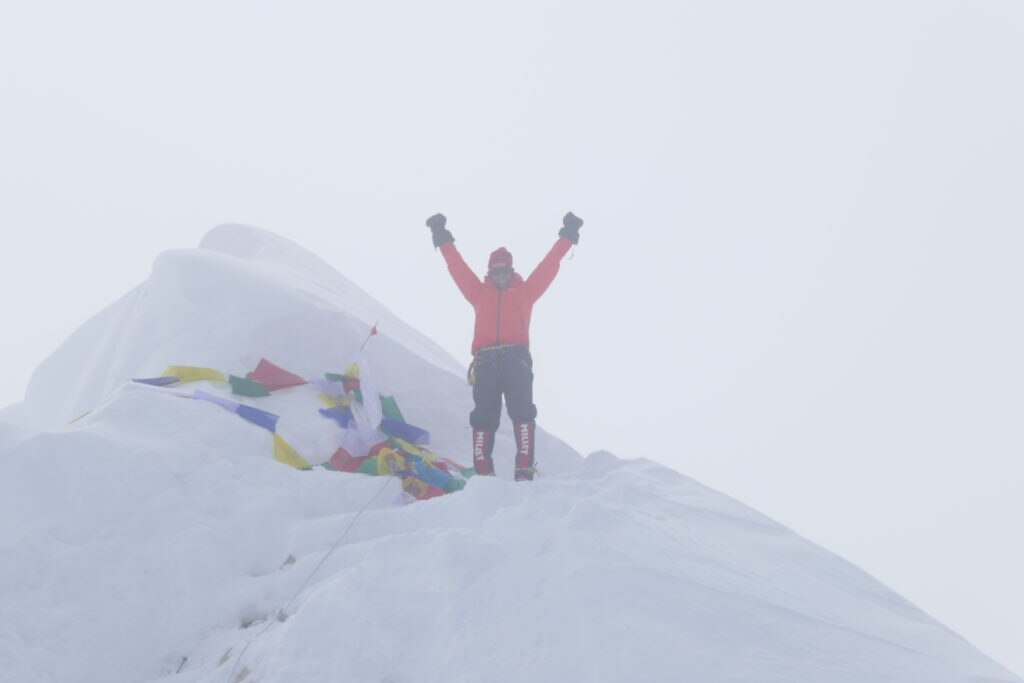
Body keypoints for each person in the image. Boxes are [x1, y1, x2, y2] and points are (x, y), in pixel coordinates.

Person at [426, 211, 583, 481]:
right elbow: (457, 268)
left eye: (505, 271)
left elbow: (549, 265)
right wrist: (441, 237)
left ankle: (524, 469)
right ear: (490, 272)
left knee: (522, 411)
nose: (501, 276)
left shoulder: (525, 292)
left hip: (516, 359)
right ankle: (484, 472)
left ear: (512, 271)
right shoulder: (478, 293)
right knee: (484, 416)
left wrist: (567, 235)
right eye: (496, 271)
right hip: (486, 362)